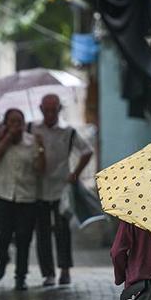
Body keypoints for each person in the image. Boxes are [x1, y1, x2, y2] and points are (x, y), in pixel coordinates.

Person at [29, 94, 93, 286]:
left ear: (59, 110)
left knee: (62, 230)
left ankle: (65, 270)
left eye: (53, 110)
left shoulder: (68, 131)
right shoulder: (32, 129)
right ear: (40, 109)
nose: (50, 113)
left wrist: (76, 173)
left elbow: (87, 150)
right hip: (38, 188)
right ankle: (48, 274)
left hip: (61, 189)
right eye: (46, 110)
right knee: (42, 233)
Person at [0, 108, 46, 291]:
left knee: (23, 238)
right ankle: (3, 258)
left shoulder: (32, 142)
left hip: (26, 197)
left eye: (19, 122)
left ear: (24, 124)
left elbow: (40, 169)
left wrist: (42, 149)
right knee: (0, 233)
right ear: (6, 124)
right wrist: (6, 139)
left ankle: (21, 276)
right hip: (2, 194)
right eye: (12, 122)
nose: (16, 126)